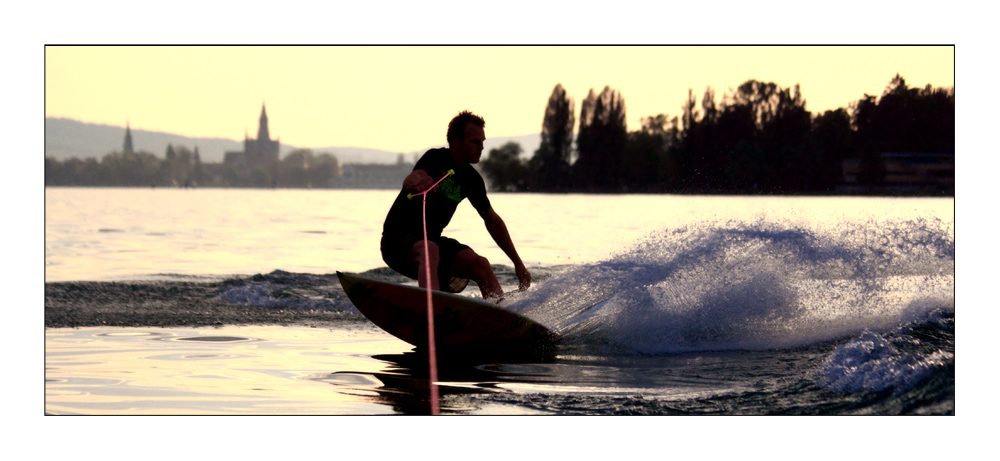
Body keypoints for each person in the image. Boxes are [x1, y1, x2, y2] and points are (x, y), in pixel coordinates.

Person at [380, 110, 530, 302]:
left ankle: (502, 316)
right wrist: (417, 182)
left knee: (480, 264)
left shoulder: (472, 180)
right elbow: (412, 178)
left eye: (482, 141)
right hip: (396, 242)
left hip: (431, 242)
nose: (481, 147)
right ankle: (433, 311)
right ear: (456, 141)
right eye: (475, 142)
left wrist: (518, 264)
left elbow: (492, 221)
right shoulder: (435, 158)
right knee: (430, 250)